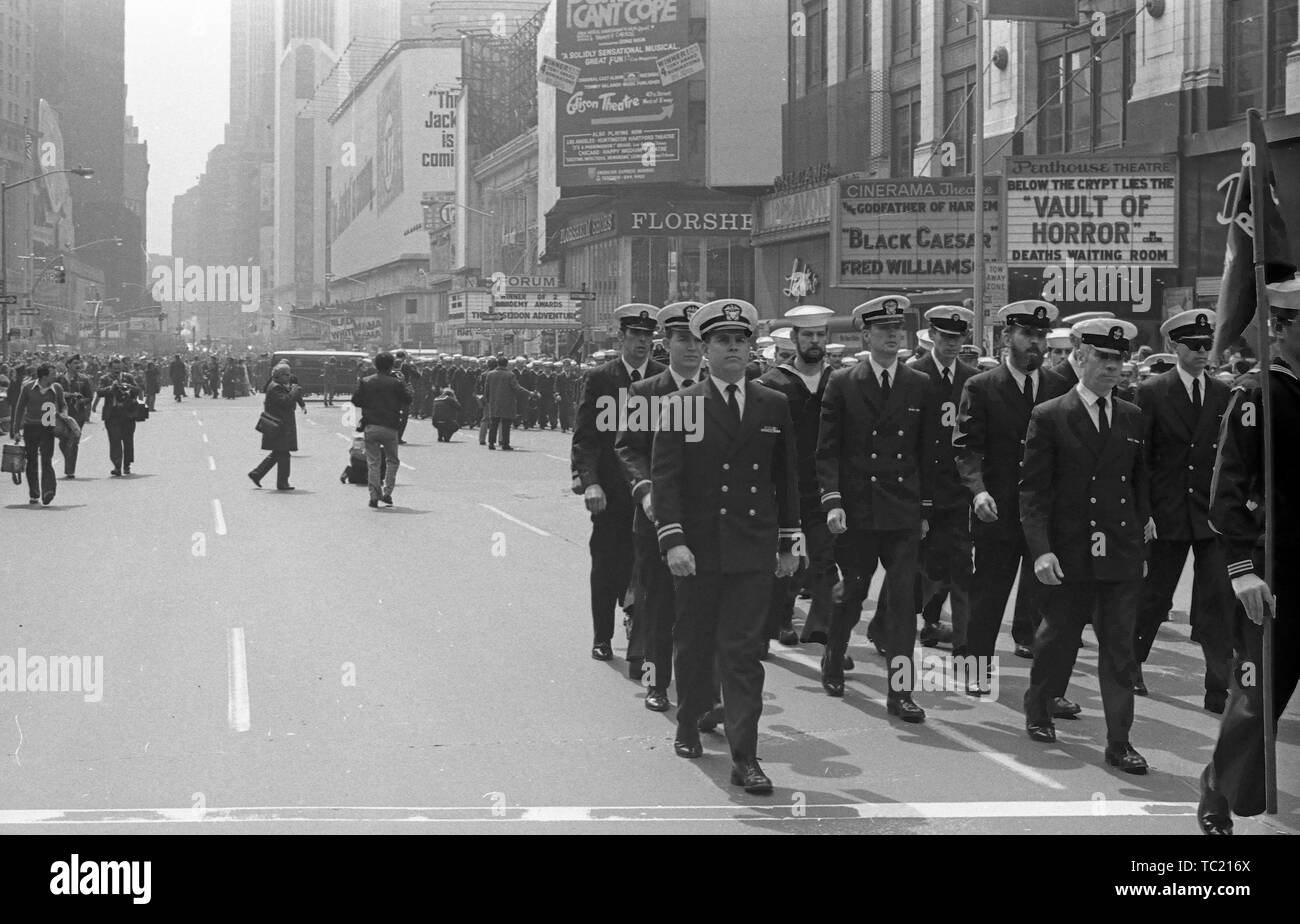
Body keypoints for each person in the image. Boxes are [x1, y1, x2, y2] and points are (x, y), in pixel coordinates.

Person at [651, 298, 800, 794]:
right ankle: (689, 719)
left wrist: (787, 542)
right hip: (697, 550)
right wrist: (672, 540)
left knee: (741, 654)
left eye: (740, 341)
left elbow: (787, 479)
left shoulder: (773, 404)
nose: (732, 348)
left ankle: (746, 758)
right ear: (705, 348)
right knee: (694, 645)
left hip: (751, 549)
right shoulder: (680, 405)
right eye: (721, 341)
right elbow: (666, 480)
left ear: (750, 347)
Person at [1020, 318, 1151, 773]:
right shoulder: (1051, 415)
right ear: (1080, 359)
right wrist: (1041, 550)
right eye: (1104, 358)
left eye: (1119, 359)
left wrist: (1140, 538)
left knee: (1119, 651)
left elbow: (1139, 485)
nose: (1113, 368)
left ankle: (1119, 741)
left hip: (1119, 554)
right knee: (1057, 640)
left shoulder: (1132, 416)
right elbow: (1033, 492)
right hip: (1069, 554)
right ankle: (1039, 707)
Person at [1198, 278, 1300, 835]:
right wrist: (1242, 569)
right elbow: (1226, 491)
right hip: (1275, 568)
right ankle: (1218, 786)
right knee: (1259, 698)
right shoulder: (1257, 393)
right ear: (1281, 328)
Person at [816, 295, 935, 722]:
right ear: (865, 335)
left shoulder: (918, 384)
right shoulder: (843, 382)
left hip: (901, 510)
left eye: (897, 329)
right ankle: (834, 653)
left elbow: (926, 453)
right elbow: (827, 450)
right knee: (853, 591)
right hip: (859, 509)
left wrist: (924, 509)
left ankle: (900, 692)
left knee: (903, 602)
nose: (892, 336)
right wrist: (832, 501)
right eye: (883, 330)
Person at [953, 301, 1073, 700]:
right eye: (1028, 335)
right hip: (998, 510)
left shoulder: (1059, 387)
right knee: (988, 597)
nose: (1036, 343)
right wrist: (978, 490)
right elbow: (967, 449)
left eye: (1041, 336)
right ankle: (976, 670)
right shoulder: (982, 386)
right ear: (1008, 337)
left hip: (1045, 514)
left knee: (1049, 604)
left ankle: (1048, 689)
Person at [1133, 309, 1234, 713]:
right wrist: (1145, 511)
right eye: (1193, 346)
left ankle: (1217, 686)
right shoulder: (1153, 391)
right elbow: (1139, 458)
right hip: (1167, 510)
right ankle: (1131, 663)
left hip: (1210, 514)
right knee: (1154, 596)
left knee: (1217, 600)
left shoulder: (1223, 393)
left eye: (1207, 346)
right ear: (1175, 347)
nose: (1202, 353)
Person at [615, 301, 704, 710]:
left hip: (706, 516)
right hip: (654, 516)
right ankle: (656, 681)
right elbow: (628, 450)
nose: (691, 348)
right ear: (665, 343)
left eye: (698, 339)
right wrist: (646, 490)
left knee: (702, 607)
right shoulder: (644, 392)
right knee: (657, 603)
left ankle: (702, 689)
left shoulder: (720, 390)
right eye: (682, 338)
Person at [572, 303, 665, 661]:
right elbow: (586, 437)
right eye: (635, 335)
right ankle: (602, 636)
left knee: (646, 566)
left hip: (652, 493)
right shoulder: (601, 378)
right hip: (611, 491)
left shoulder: (664, 378)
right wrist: (589, 481)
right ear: (622, 337)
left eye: (647, 336)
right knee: (606, 563)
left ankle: (640, 631)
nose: (642, 342)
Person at [757, 304, 837, 650]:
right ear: (794, 339)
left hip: (825, 486)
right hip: (783, 486)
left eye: (820, 335)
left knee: (824, 559)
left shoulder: (840, 382)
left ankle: (822, 632)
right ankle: (776, 622)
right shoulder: (771, 383)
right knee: (784, 559)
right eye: (808, 335)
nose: (815, 341)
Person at [908, 304, 979, 650]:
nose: (952, 343)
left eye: (959, 337)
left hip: (956, 487)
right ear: (932, 335)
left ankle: (966, 640)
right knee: (917, 567)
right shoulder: (914, 374)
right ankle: (903, 624)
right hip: (918, 484)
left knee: (961, 563)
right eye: (946, 336)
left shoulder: (973, 378)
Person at [349, 351, 411, 508]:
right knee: (392, 461)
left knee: (373, 462)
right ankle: (387, 492)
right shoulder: (395, 383)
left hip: (371, 426)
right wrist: (403, 384)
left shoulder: (366, 381)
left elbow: (355, 401)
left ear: (375, 365)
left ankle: (374, 495)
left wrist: (369, 404)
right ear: (391, 366)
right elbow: (407, 399)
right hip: (390, 426)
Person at [9, 362, 65, 505]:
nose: (56, 376)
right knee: (32, 461)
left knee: (47, 460)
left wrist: (64, 418)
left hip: (48, 428)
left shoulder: (57, 388)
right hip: (30, 427)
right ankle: (34, 493)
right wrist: (15, 430)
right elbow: (20, 408)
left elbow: (63, 405)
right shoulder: (28, 388)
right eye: (53, 374)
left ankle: (48, 491)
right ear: (44, 376)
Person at [248, 364, 302, 491]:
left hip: (280, 426)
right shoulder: (275, 388)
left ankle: (257, 473)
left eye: (289, 375)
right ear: (278, 375)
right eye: (286, 375)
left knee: (278, 453)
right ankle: (282, 483)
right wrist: (294, 391)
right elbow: (286, 401)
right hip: (279, 426)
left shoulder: (278, 386)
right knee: (283, 454)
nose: (289, 377)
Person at [92, 363, 143, 477]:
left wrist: (129, 387)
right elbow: (99, 392)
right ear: (109, 368)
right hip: (112, 414)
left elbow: (138, 389)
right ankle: (117, 465)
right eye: (114, 368)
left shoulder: (128, 377)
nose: (117, 370)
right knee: (114, 440)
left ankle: (127, 465)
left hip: (128, 413)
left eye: (118, 368)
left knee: (128, 440)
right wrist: (111, 387)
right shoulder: (105, 378)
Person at [482, 354, 537, 451]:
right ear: (506, 364)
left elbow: (486, 389)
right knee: (506, 424)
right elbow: (517, 388)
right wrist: (529, 393)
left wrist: (487, 400)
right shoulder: (510, 375)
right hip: (507, 403)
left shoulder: (490, 374)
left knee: (494, 424)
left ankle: (491, 443)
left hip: (494, 402)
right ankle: (505, 443)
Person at [56, 355, 93, 479]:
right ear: (68, 365)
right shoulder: (59, 379)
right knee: (63, 442)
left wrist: (81, 401)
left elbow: (89, 396)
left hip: (77, 415)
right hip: (62, 415)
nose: (78, 365)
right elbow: (53, 394)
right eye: (75, 363)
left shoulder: (84, 379)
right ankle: (69, 460)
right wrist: (66, 395)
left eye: (80, 363)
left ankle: (70, 470)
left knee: (73, 441)